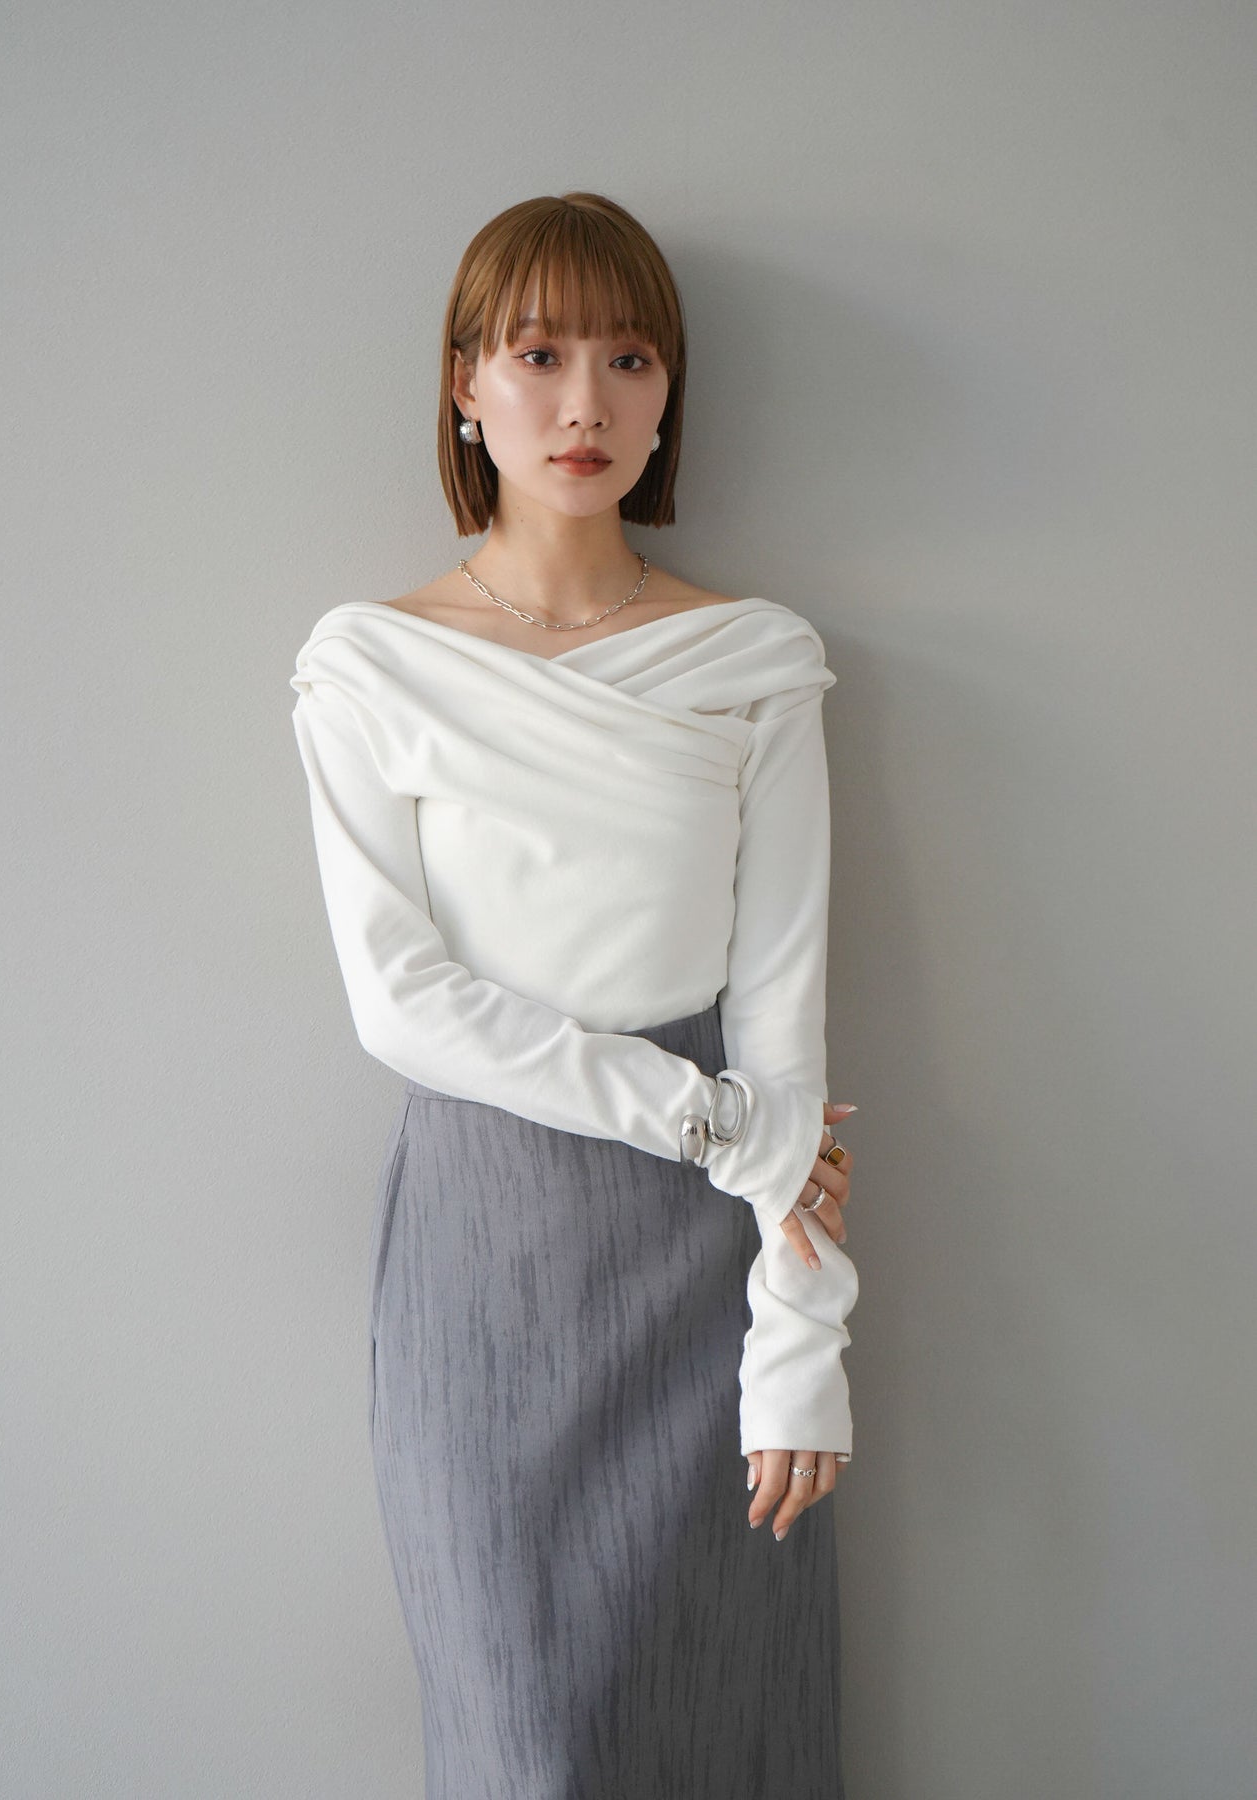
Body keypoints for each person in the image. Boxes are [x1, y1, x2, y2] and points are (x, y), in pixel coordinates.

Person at [288, 190, 861, 1799]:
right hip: (490, 1243)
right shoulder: (370, 663)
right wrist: (703, 1120)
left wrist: (801, 1343)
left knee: (734, 1725)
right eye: (538, 356)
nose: (585, 402)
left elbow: (785, 1020)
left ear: (670, 391)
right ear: (465, 384)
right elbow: (400, 1001)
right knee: (528, 1747)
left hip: (712, 1265)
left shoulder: (753, 660)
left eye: (628, 357)